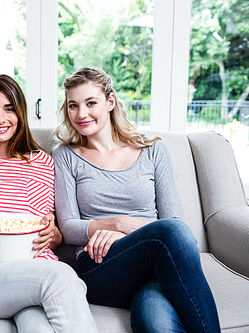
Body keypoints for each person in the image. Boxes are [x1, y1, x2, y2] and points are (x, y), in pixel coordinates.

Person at [53, 67, 221, 332]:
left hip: (153, 262)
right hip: (98, 266)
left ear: (110, 102)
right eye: (73, 105)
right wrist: (118, 224)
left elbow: (177, 223)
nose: (81, 114)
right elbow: (69, 228)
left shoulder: (152, 149)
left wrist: (130, 234)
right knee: (168, 233)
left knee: (155, 324)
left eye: (90, 103)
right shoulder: (65, 155)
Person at [0, 74, 97, 333]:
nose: (0, 119)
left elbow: (53, 237)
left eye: (9, 109)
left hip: (37, 270)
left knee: (37, 326)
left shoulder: (44, 163)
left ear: (20, 114)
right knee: (63, 277)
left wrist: (53, 234)